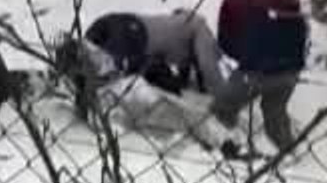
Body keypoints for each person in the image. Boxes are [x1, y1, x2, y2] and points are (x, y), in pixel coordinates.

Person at [210, 0, 308, 156]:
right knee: (274, 112)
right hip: (290, 72)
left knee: (223, 108)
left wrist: (246, 57)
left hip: (254, 71)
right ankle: (288, 152)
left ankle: (233, 147)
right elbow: (301, 34)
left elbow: (225, 42)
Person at [54, 9, 226, 123]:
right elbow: (209, 68)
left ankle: (71, 73)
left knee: (95, 62)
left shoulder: (180, 30)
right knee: (113, 67)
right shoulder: (200, 28)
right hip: (133, 34)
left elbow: (161, 66)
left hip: (121, 25)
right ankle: (77, 78)